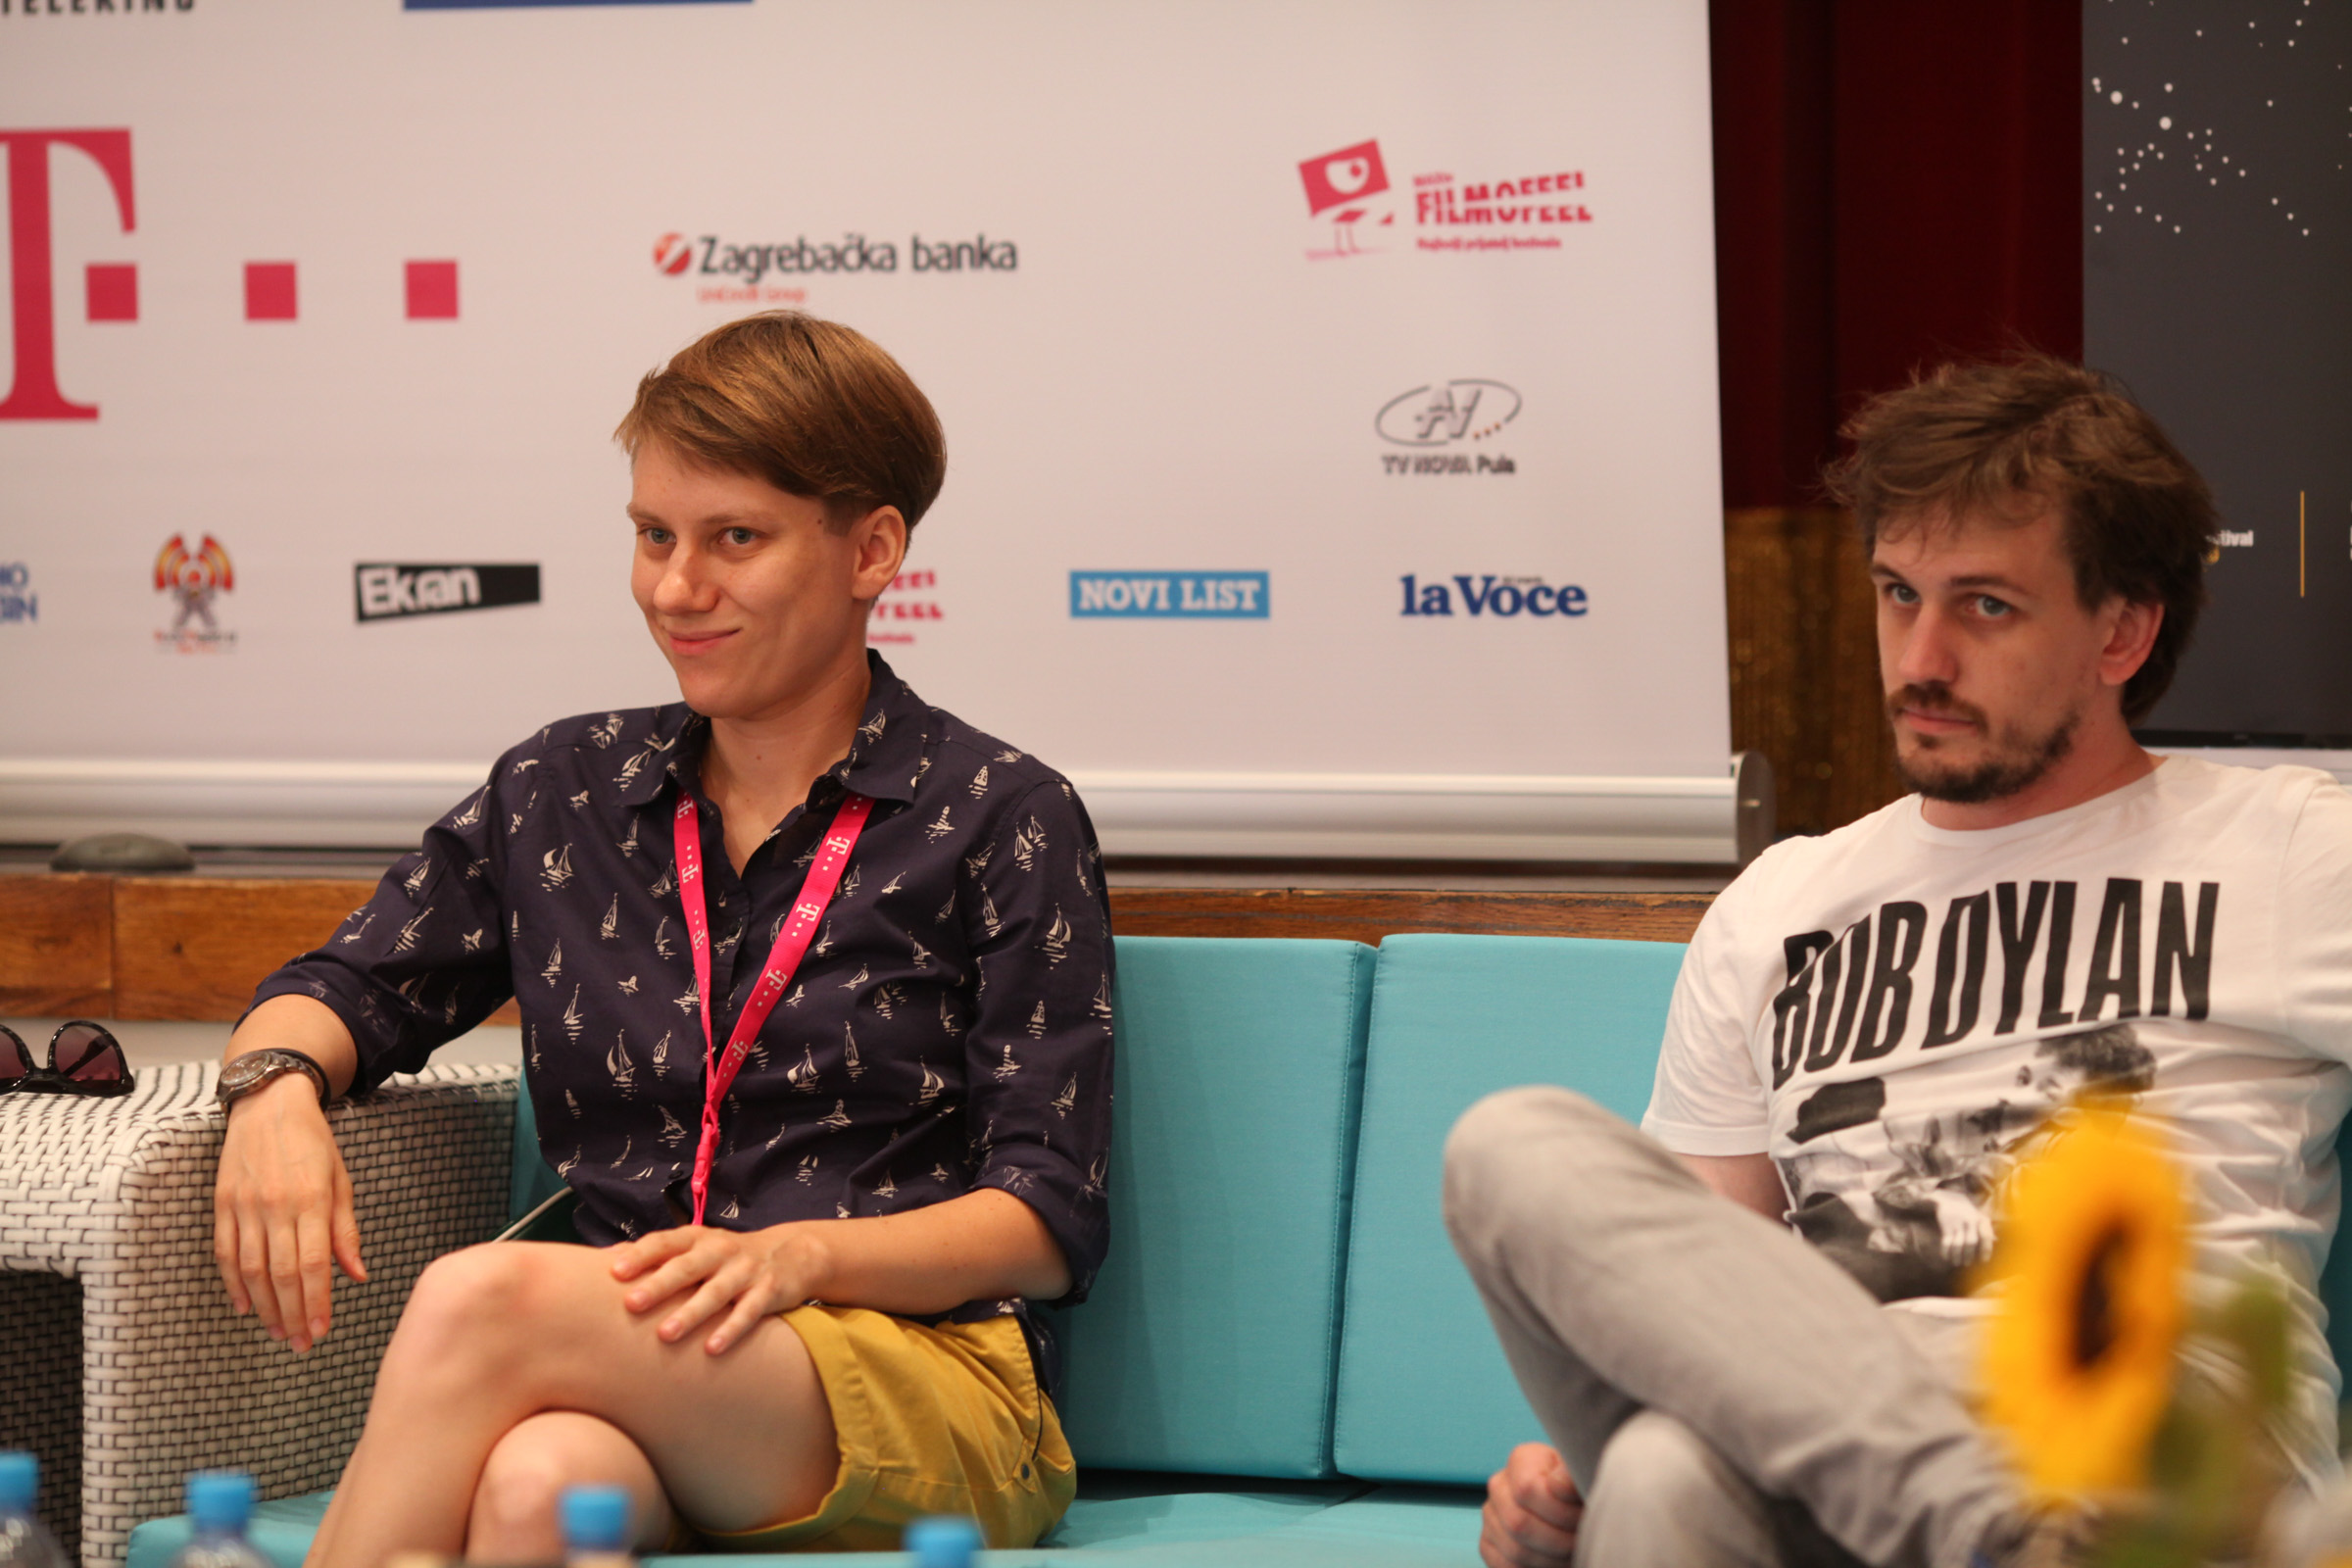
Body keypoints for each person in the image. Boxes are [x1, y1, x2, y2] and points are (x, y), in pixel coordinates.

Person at [211, 313, 1114, 1565]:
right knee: (534, 1488)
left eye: (734, 538)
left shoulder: (999, 814)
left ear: (872, 549)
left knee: (482, 1294)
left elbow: (1046, 1217)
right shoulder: (563, 789)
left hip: (928, 1371)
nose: (676, 590)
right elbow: (347, 984)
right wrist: (272, 1092)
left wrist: (802, 1259)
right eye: (653, 536)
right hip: (658, 1358)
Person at [1445, 356, 2352, 1568]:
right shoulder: (1780, 901)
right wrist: (1558, 1486)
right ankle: (1993, 1535)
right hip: (1835, 1409)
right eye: (1898, 593)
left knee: (1660, 1477)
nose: (1921, 657)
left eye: (1986, 606)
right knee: (1508, 1149)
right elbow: (1697, 1282)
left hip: (2143, 1419)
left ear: (2122, 631)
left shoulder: (2291, 849)